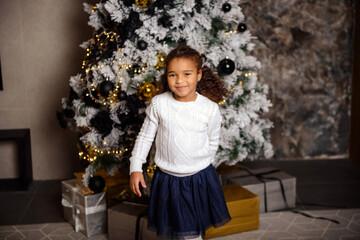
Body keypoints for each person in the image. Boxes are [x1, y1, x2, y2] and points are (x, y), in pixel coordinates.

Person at [129, 43, 230, 240]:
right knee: (174, 231)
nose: (179, 80)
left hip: (197, 179)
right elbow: (145, 137)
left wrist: (198, 164)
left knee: (191, 235)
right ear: (166, 76)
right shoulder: (159, 104)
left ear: (199, 75)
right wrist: (135, 167)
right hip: (167, 179)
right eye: (172, 74)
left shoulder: (209, 109)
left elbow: (212, 142)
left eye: (187, 74)